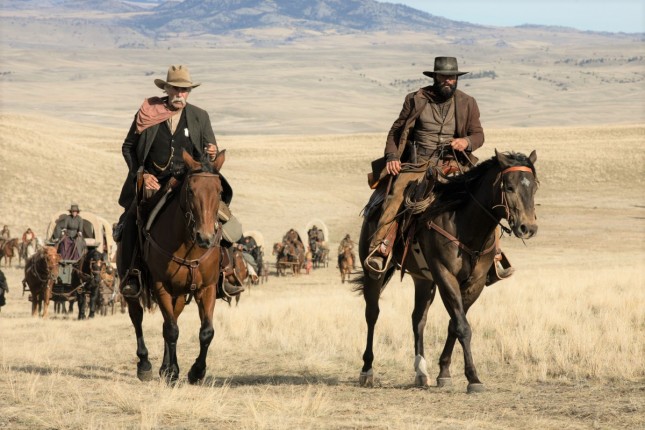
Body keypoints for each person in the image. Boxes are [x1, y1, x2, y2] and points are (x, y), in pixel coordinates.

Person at [365, 57, 511, 280]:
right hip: (419, 163)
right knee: (396, 194)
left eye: (452, 77)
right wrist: (392, 157)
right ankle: (381, 248)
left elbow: (478, 134)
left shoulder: (467, 102)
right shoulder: (415, 99)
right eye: (443, 76)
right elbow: (396, 131)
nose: (448, 81)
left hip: (453, 163)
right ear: (435, 77)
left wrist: (466, 142)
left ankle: (495, 256)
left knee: (484, 196)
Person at [115, 65, 243, 298]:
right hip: (155, 182)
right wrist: (141, 174)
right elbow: (128, 147)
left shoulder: (199, 116)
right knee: (133, 218)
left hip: (189, 182)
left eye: (185, 90)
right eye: (175, 88)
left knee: (221, 216)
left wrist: (211, 153)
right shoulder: (148, 113)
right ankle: (133, 273)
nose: (180, 93)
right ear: (166, 89)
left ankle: (226, 272)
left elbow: (209, 155)